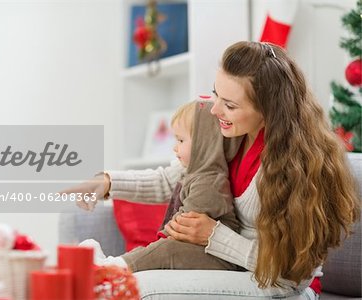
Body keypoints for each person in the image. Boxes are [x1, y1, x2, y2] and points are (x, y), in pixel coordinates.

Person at [63, 41, 360, 297]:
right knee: (127, 282)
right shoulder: (227, 132)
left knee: (136, 288)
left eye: (230, 105)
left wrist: (213, 235)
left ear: (269, 111)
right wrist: (106, 182)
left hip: (282, 286)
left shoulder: (301, 165)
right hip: (229, 266)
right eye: (215, 93)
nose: (215, 109)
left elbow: (290, 275)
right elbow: (174, 179)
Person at [81, 99, 242, 271]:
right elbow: (164, 181)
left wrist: (156, 247)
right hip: (202, 250)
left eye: (180, 141)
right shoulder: (195, 174)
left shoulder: (210, 182)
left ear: (204, 145)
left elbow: (183, 225)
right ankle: (114, 263)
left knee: (166, 250)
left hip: (218, 257)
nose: (174, 148)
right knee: (161, 250)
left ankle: (114, 266)